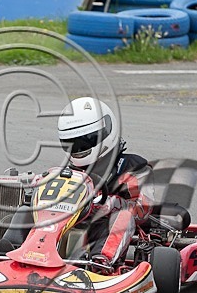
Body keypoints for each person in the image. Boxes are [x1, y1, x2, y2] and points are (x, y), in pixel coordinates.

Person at [56, 96, 156, 265]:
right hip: (65, 225)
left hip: (104, 229)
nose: (78, 148)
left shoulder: (133, 167)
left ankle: (100, 262)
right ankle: (14, 251)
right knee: (27, 210)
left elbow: (142, 210)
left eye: (85, 141)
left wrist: (111, 204)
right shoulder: (69, 172)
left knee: (124, 217)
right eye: (71, 143)